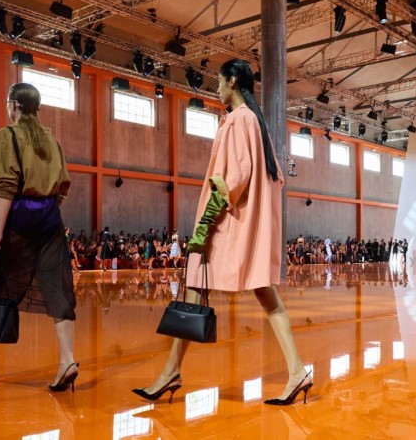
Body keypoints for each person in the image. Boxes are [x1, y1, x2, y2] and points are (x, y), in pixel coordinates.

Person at [133, 59, 311, 405]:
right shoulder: (255, 122)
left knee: (197, 284)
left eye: (218, 82)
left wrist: (204, 227)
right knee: (262, 292)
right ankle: (296, 371)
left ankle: (171, 372)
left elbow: (234, 179)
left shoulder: (238, 120)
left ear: (232, 82)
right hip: (246, 223)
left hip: (229, 223)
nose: (216, 89)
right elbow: (270, 177)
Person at [0, 83, 77, 391]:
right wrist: (47, 209)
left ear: (15, 105)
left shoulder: (7, 135)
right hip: (50, 219)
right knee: (58, 289)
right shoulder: (52, 141)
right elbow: (63, 186)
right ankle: (68, 360)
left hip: (17, 219)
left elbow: (5, 186)